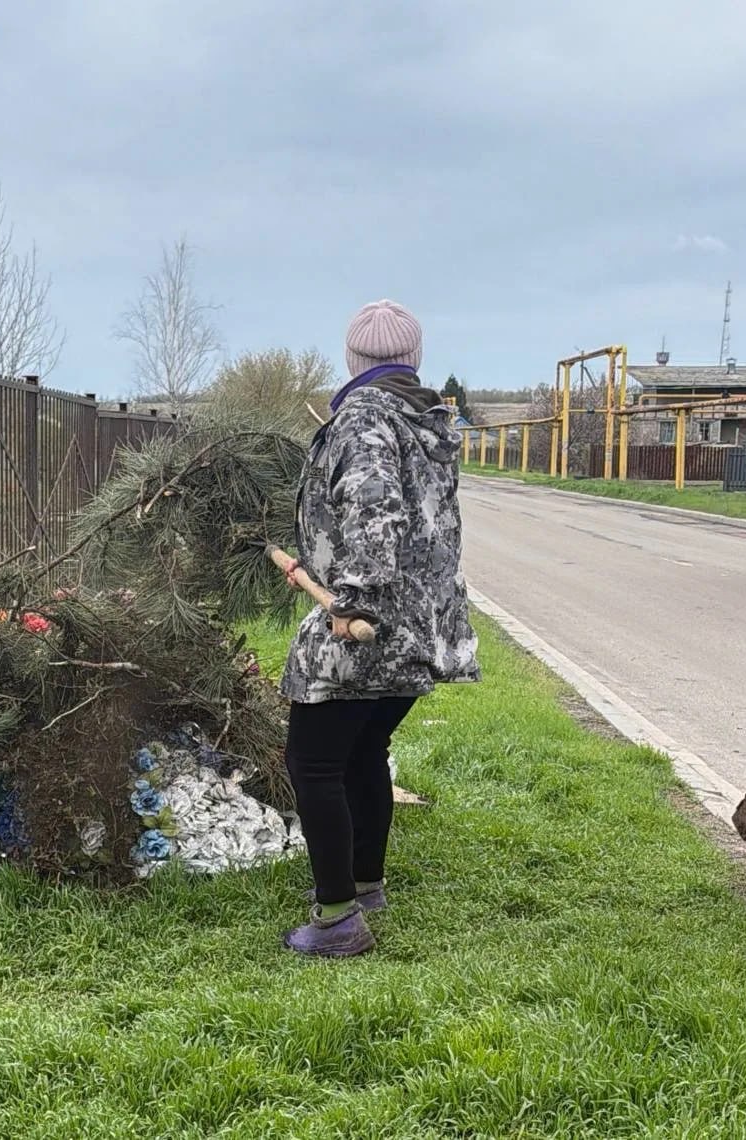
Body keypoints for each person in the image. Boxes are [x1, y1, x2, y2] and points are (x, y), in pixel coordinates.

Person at [280, 299, 480, 957]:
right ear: (413, 360)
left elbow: (375, 516)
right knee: (364, 750)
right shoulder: (425, 421)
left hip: (371, 626)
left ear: (353, 360)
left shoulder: (365, 418)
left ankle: (337, 920)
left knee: (313, 762)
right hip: (422, 626)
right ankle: (365, 885)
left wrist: (353, 604)